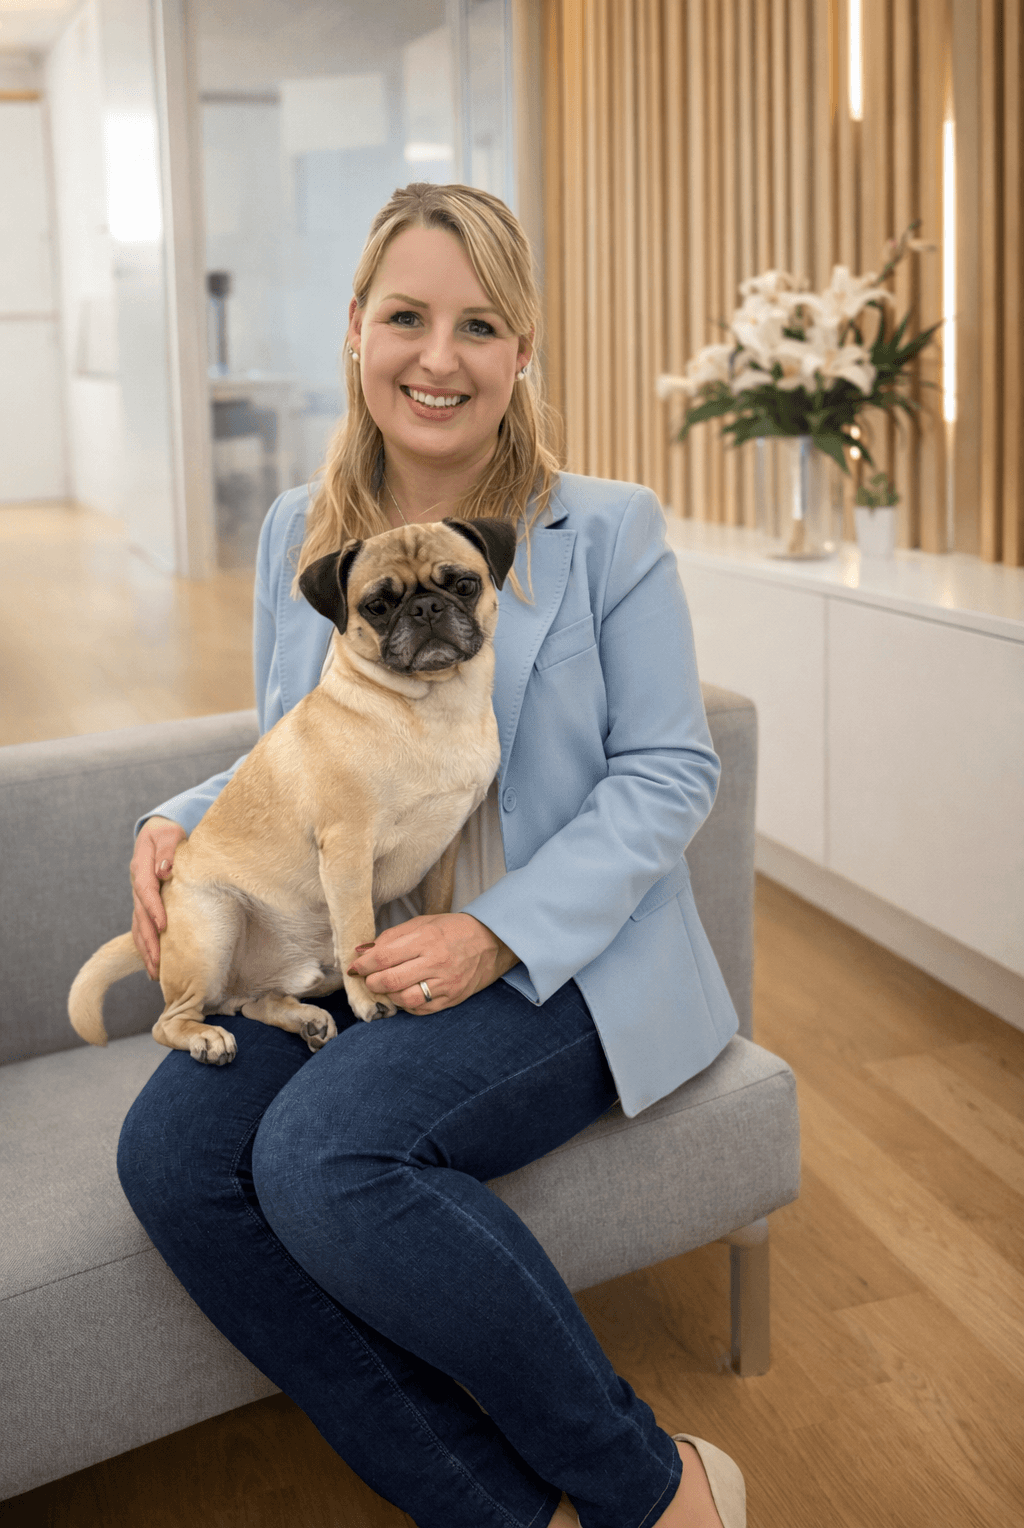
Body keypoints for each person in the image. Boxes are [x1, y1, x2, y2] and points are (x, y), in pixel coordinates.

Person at [118, 183, 746, 1528]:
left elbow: (672, 768)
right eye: (406, 316)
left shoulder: (609, 529)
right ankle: (502, 1513)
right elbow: (295, 744)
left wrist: (497, 930)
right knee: (170, 1161)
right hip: (354, 950)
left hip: (558, 970)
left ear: (523, 352)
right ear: (357, 329)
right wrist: (176, 813)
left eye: (478, 325)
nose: (437, 357)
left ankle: (659, 1488)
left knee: (323, 1157)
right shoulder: (301, 530)